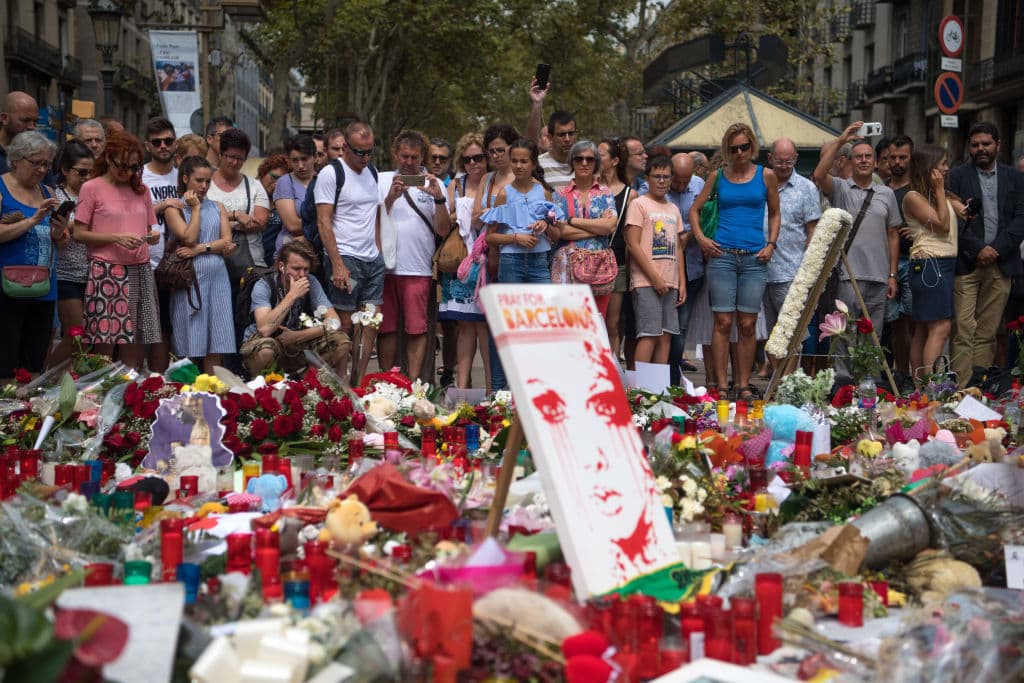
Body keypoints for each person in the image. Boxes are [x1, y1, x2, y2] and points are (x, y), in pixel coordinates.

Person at [690, 123, 780, 400]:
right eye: (734, 148)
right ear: (727, 151)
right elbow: (695, 210)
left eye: (744, 147)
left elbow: (775, 213)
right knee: (722, 321)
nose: (740, 152)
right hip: (723, 256)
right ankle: (721, 385)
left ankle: (743, 384)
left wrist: (771, 244)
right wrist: (702, 239)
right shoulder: (717, 176)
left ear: (752, 147)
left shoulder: (766, 175)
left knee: (747, 324)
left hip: (754, 258)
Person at [813, 121, 901, 384]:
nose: (863, 160)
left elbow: (893, 234)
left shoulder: (887, 194)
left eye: (868, 156)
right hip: (848, 275)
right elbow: (819, 174)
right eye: (858, 156)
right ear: (850, 162)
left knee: (873, 334)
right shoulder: (841, 188)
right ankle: (843, 383)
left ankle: (869, 384)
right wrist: (841, 140)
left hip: (879, 276)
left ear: (876, 163)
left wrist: (892, 275)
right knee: (845, 332)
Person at [73, 130, 161, 369]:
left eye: (133, 167)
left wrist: (152, 236)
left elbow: (148, 229)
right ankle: (103, 388)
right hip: (107, 270)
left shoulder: (141, 190)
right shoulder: (92, 188)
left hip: (139, 268)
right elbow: (78, 233)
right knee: (105, 341)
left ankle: (130, 387)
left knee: (134, 341)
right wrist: (115, 238)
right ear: (108, 158)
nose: (127, 172)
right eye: (122, 166)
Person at [948, 121, 1024, 386]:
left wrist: (996, 249)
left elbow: (1020, 218)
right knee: (962, 329)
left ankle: (978, 388)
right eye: (975, 144)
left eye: (986, 144)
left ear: (998, 145)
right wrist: (979, 248)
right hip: (967, 263)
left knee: (988, 331)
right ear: (969, 147)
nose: (980, 149)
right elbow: (953, 219)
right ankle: (959, 389)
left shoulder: (1015, 177)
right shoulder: (956, 176)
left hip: (1001, 264)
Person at [377, 129, 451, 380]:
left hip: (418, 268)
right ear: (395, 154)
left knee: (416, 329)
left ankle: (413, 384)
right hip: (385, 267)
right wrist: (390, 198)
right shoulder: (381, 180)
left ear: (423, 157)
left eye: (414, 157)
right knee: (385, 328)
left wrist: (439, 200)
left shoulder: (434, 184)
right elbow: (371, 221)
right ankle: (386, 383)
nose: (409, 162)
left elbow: (443, 230)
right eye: (404, 156)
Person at [316, 121, 382, 381]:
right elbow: (324, 221)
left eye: (369, 151)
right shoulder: (331, 173)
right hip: (346, 257)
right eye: (359, 152)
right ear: (345, 147)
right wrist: (337, 264)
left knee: (370, 323)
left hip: (372, 259)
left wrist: (378, 250)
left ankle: (358, 382)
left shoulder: (372, 172)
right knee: (344, 322)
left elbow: (375, 214)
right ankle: (339, 382)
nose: (365, 158)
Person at [0, 131, 66, 379]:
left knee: (34, 361)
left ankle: (28, 402)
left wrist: (59, 232)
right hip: (7, 288)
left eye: (47, 164)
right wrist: (33, 220)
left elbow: (61, 243)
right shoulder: (1, 188)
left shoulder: (48, 191)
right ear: (16, 159)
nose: (42, 169)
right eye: (36, 163)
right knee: (5, 361)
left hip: (43, 287)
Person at [164, 156, 236, 373]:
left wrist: (200, 249)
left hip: (218, 278)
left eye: (208, 181)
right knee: (188, 339)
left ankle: (212, 387)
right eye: (199, 180)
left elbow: (226, 240)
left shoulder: (218, 206)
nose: (204, 186)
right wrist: (195, 209)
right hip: (189, 279)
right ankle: (186, 388)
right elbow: (188, 237)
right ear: (185, 179)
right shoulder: (174, 209)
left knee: (217, 339)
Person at [240, 241, 351, 377]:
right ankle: (261, 385)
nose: (302, 274)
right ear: (281, 266)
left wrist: (298, 336)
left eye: (306, 269)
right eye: (296, 269)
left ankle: (319, 384)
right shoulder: (264, 285)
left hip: (295, 341)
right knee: (265, 351)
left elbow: (335, 322)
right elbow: (264, 329)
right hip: (265, 343)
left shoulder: (311, 281)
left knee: (341, 342)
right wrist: (292, 296)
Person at [902, 144, 963, 383]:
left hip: (940, 265)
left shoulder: (939, 196)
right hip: (931, 265)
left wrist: (954, 201)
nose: (947, 169)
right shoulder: (913, 197)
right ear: (929, 168)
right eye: (943, 164)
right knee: (941, 327)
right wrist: (939, 190)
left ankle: (920, 387)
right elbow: (942, 225)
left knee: (924, 328)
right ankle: (932, 387)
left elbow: (961, 214)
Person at [762, 138, 821, 368]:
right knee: (768, 332)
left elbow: (812, 229)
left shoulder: (806, 188)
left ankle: (788, 379)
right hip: (758, 269)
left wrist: (807, 267)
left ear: (796, 158)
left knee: (792, 331)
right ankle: (777, 378)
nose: (784, 166)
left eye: (789, 161)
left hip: (790, 270)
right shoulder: (760, 183)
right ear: (770, 159)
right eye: (779, 161)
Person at [440, 132, 491, 390]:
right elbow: (447, 219)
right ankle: (462, 389)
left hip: (487, 259)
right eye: (468, 159)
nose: (473, 163)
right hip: (462, 261)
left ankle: (493, 391)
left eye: (478, 157)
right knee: (464, 325)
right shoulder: (456, 185)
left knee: (485, 327)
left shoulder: (494, 182)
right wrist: (456, 215)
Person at [625, 155, 686, 365]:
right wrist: (654, 278)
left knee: (665, 336)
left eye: (666, 177)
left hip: (671, 281)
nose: (661, 181)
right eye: (657, 176)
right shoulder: (639, 204)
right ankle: (642, 384)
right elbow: (633, 244)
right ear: (647, 178)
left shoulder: (673, 209)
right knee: (649, 334)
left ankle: (659, 383)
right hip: (646, 281)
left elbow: (678, 247)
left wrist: (682, 282)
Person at [552, 140, 617, 313]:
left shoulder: (606, 193)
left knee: (597, 321)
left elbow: (610, 226)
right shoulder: (559, 194)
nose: (584, 163)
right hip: (566, 269)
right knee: (569, 322)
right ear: (571, 162)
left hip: (599, 269)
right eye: (578, 158)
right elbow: (560, 231)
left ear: (596, 162)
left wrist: (573, 221)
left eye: (590, 159)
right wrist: (598, 228)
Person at [47, 141, 94, 368]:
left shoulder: (94, 193)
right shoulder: (55, 196)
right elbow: (59, 235)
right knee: (76, 334)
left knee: (90, 338)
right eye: (82, 172)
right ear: (65, 170)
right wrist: (79, 227)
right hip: (65, 274)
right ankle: (43, 377)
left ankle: (67, 379)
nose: (87, 177)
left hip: (93, 274)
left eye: (91, 172)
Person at [142, 117, 183, 373]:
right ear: (148, 146)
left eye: (168, 140)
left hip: (179, 262)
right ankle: (151, 380)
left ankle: (169, 382)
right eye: (157, 142)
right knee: (148, 327)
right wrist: (164, 205)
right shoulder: (139, 176)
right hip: (146, 260)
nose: (163, 146)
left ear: (175, 143)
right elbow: (132, 213)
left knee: (171, 325)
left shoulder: (183, 177)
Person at [666, 152, 706, 384]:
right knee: (664, 328)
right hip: (663, 270)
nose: (681, 186)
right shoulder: (655, 186)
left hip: (692, 266)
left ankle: (674, 377)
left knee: (681, 325)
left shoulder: (700, 186)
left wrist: (689, 234)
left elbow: (706, 216)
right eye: (676, 181)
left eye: (685, 181)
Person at [207, 127, 270, 271]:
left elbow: (260, 223)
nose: (235, 162)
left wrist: (221, 223)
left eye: (240, 158)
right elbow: (199, 220)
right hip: (213, 261)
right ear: (220, 154)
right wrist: (237, 216)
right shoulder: (205, 184)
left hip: (251, 262)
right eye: (230, 157)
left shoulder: (254, 186)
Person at [598, 137, 635, 361]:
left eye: (600, 155)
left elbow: (630, 236)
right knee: (593, 320)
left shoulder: (630, 194)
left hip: (617, 262)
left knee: (612, 323)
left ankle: (611, 366)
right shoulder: (591, 189)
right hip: (589, 261)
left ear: (614, 161)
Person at [884, 135, 914, 381]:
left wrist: (919, 231)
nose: (897, 162)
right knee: (895, 323)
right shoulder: (881, 190)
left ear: (911, 158)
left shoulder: (919, 188)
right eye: (892, 157)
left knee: (914, 323)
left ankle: (917, 376)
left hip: (915, 260)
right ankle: (901, 374)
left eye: (902, 157)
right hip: (886, 263)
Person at [524, 79, 576, 190]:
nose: (567, 139)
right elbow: (529, 146)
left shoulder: (585, 162)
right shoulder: (538, 164)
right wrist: (537, 104)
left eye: (571, 133)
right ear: (550, 137)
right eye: (561, 134)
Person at [275, 135, 316, 254]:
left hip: (319, 251)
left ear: (315, 157)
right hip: (290, 251)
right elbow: (292, 225)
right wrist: (322, 224)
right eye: (295, 160)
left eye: (304, 159)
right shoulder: (285, 182)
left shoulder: (324, 179)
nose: (300, 165)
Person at [258, 153, 290, 260]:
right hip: (249, 259)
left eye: (282, 181)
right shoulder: (248, 193)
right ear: (264, 172)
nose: (276, 184)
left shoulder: (285, 201)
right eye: (274, 177)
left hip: (275, 260)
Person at [0, 91, 39, 174]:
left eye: (35, 121)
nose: (32, 127)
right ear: (4, 119)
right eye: (26, 120)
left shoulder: (39, 154)